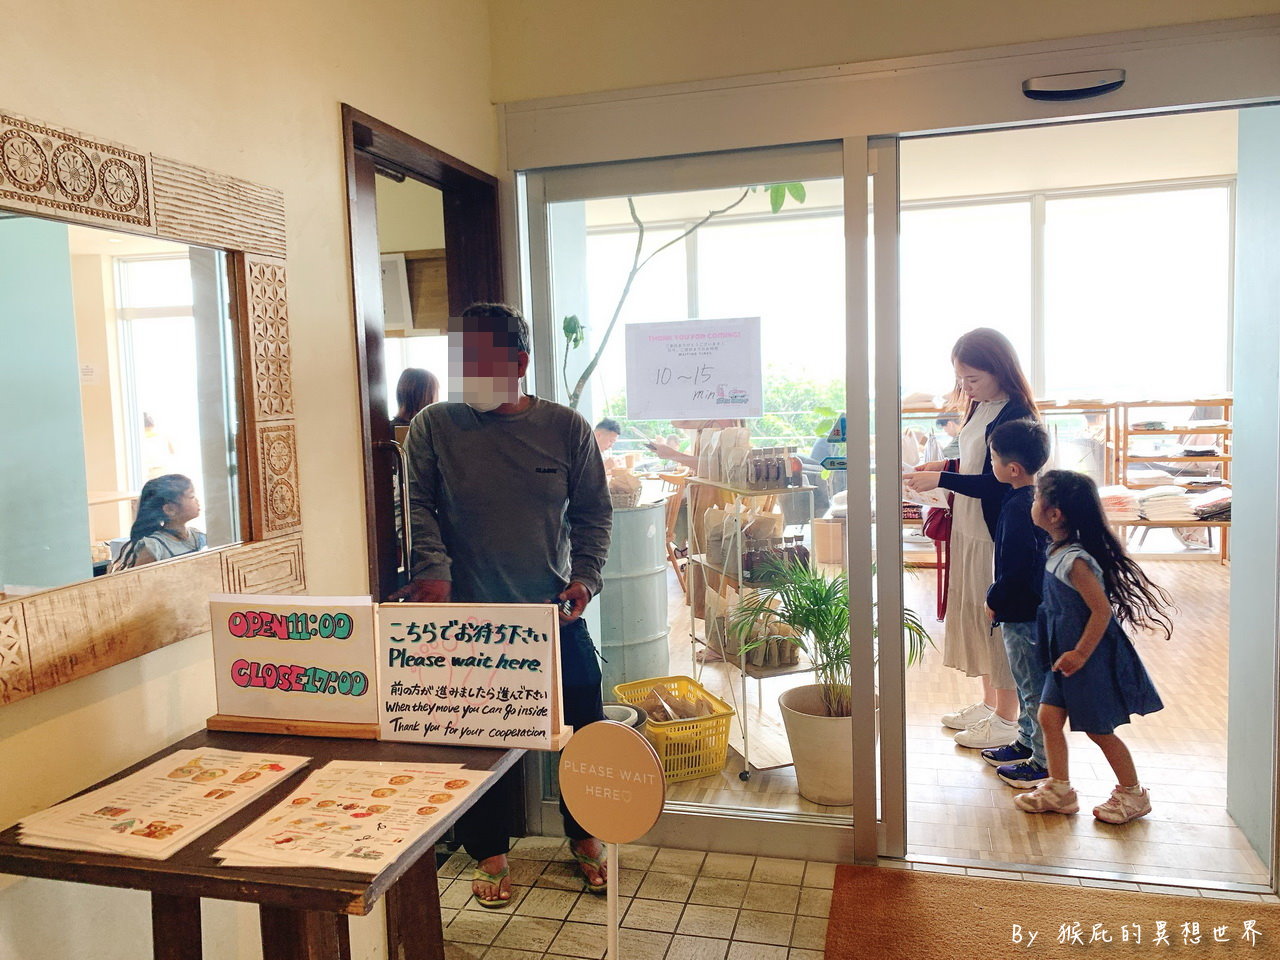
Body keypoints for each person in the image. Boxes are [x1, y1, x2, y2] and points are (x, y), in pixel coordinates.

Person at [393, 302, 612, 907]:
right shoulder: (435, 426)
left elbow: (594, 513)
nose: (468, 375)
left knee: (585, 731)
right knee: (477, 740)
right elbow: (418, 507)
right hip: (470, 623)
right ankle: (488, 854)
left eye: (481, 362)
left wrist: (587, 579)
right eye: (459, 362)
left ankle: (586, 837)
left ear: (518, 362)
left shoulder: (566, 429)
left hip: (553, 615)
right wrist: (433, 572)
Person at [903, 328, 1038, 750]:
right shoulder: (982, 405)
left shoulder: (1015, 414)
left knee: (996, 618)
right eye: (961, 379)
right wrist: (947, 462)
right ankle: (988, 703)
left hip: (991, 532)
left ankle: (1006, 716)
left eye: (973, 379)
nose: (965, 387)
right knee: (976, 615)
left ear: (1000, 370)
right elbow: (980, 459)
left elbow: (1000, 482)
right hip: (968, 525)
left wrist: (941, 477)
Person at [1013, 470, 1170, 824]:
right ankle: (1059, 788)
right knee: (1048, 717)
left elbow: (1101, 610)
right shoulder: (1058, 550)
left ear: (1054, 514)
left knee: (1099, 729)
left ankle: (1133, 793)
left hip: (1086, 657)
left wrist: (1082, 653)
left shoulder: (1076, 561)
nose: (1033, 503)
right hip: (1064, 655)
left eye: (1038, 498)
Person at [979, 419, 1052, 789]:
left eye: (992, 457)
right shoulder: (1031, 499)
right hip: (1029, 607)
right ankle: (1026, 741)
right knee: (1027, 683)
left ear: (1012, 469)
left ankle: (1041, 761)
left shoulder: (1017, 508)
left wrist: (995, 598)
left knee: (1031, 686)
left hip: (1022, 612)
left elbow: (1017, 564)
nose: (989, 464)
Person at [111, 474, 206, 571]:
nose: (197, 501)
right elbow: (140, 582)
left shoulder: (198, 537)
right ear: (169, 509)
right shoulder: (154, 548)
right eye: (192, 496)